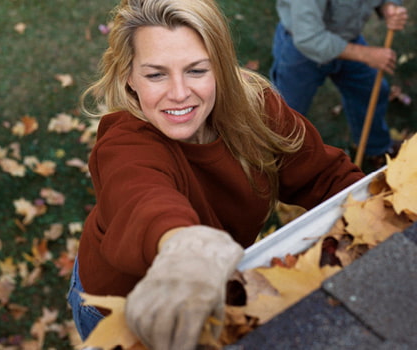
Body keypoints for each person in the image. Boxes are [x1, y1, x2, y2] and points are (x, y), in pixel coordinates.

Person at [67, 0, 364, 349]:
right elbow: (142, 199)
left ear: (221, 68)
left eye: (196, 70)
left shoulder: (256, 107)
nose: (179, 93)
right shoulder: (124, 144)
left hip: (213, 291)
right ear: (128, 76)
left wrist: (373, 212)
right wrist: (189, 248)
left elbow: (325, 177)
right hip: (123, 308)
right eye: (155, 74)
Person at [270, 0, 409, 168]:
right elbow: (308, 38)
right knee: (285, 114)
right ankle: (276, 163)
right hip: (302, 50)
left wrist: (388, 6)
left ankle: (376, 147)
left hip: (347, 37)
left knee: (371, 90)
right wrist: (366, 55)